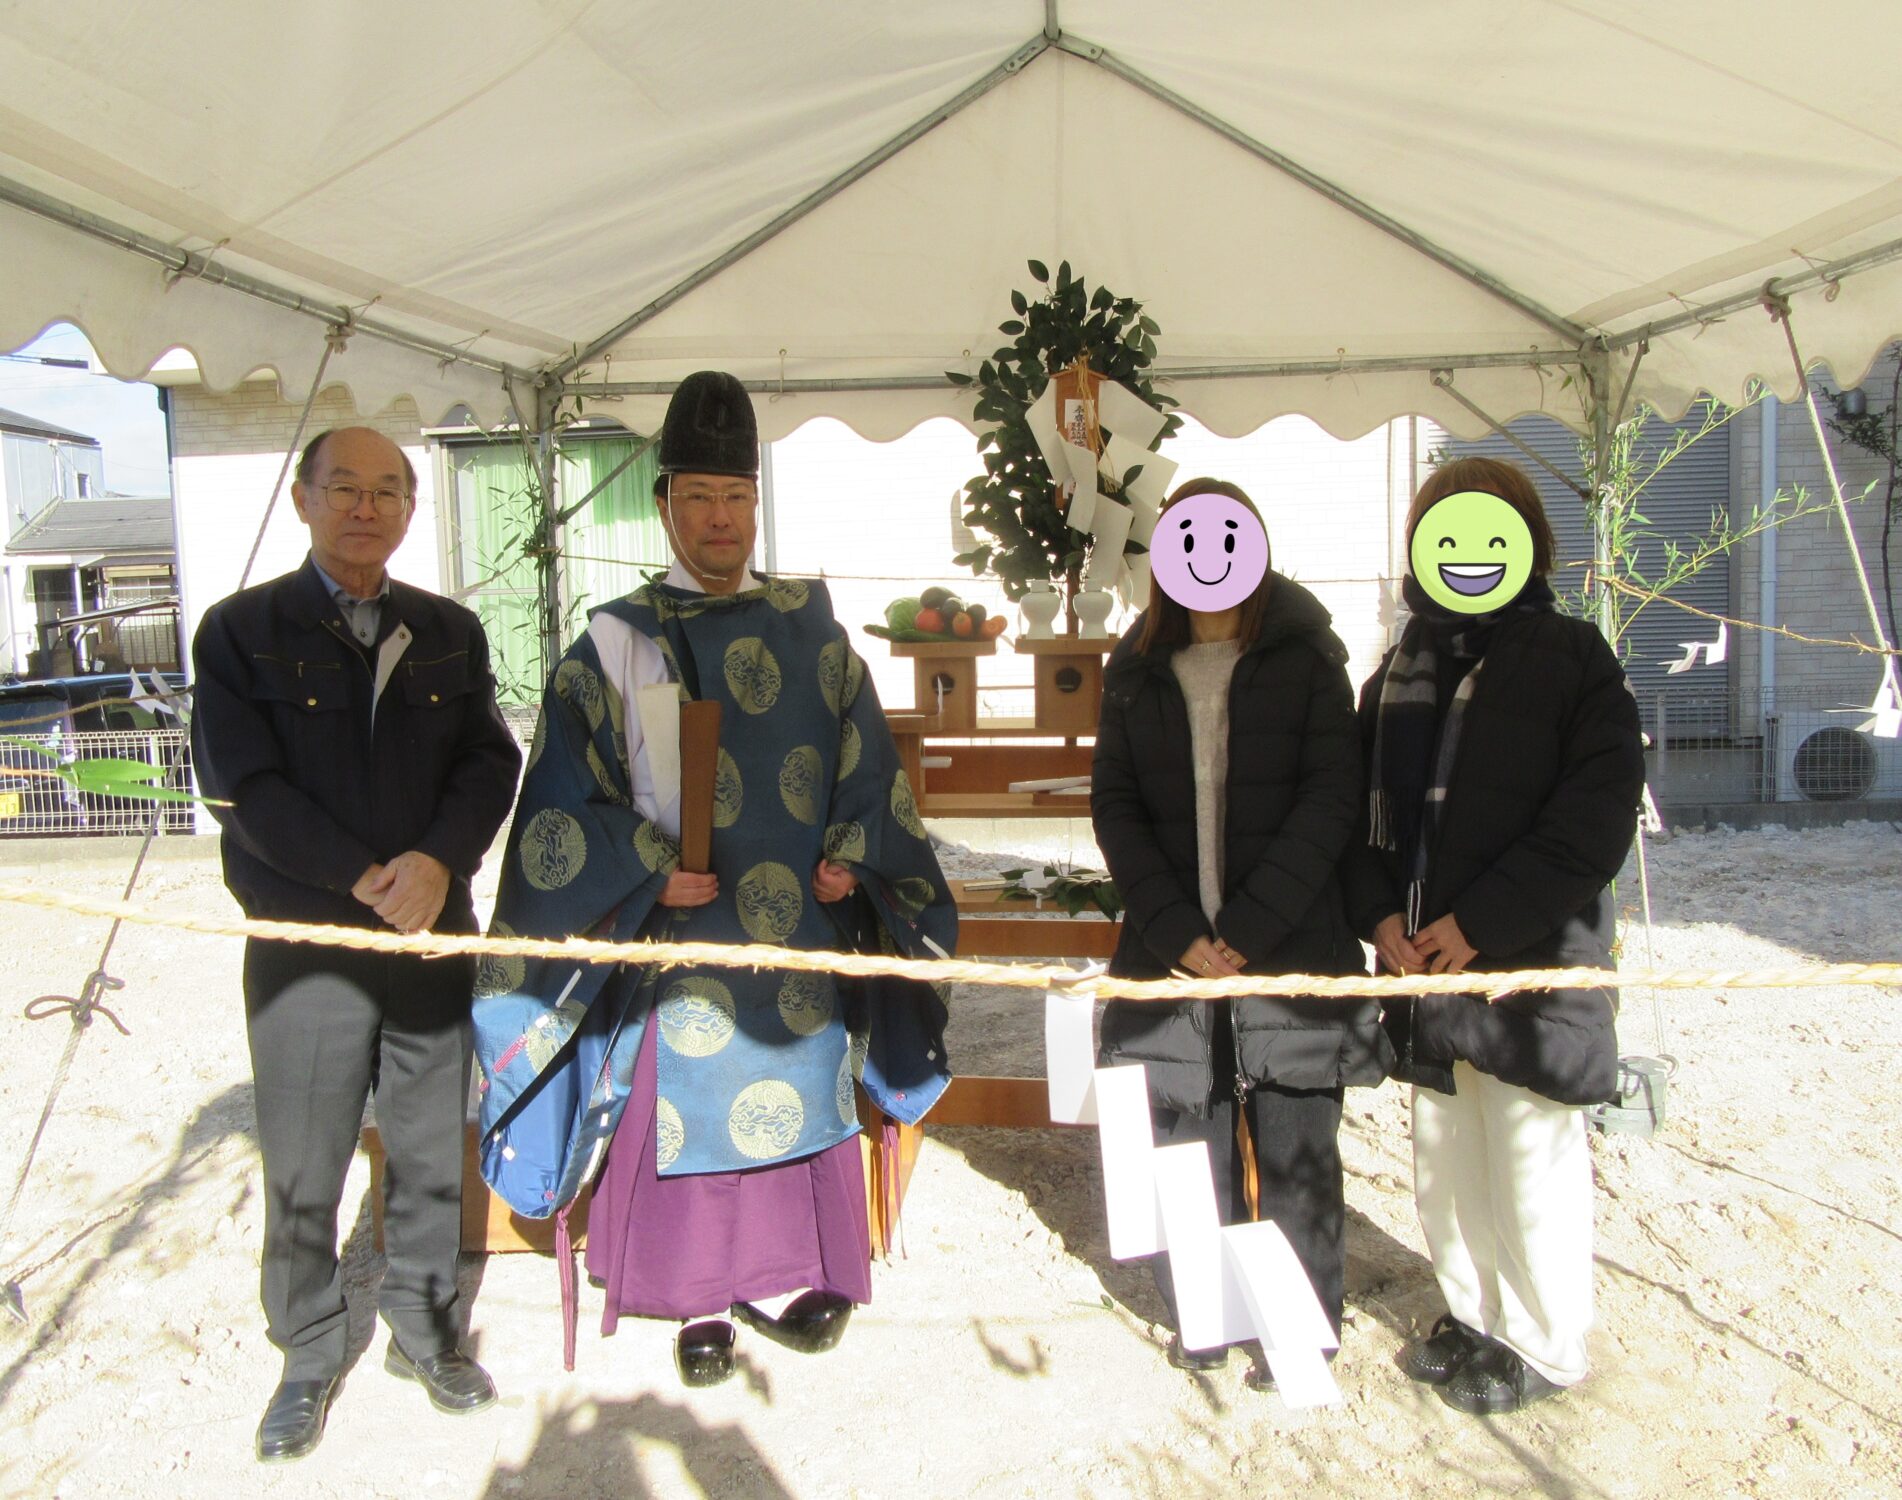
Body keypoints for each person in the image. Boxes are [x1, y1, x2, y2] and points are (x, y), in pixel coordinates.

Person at [474, 371, 955, 1388]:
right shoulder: (615, 641)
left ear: (756, 504)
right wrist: (644, 868)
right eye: (698, 497)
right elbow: (561, 804)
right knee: (689, 1106)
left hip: (799, 936)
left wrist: (851, 854)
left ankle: (813, 1271)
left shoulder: (817, 636)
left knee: (807, 1094)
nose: (720, 519)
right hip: (680, 943)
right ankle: (698, 1301)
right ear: (663, 506)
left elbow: (869, 766)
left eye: (736, 496)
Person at [191, 426, 522, 1462]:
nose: (365, 508)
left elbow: (489, 762)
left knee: (426, 1144)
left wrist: (439, 862)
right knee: (304, 1154)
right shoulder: (241, 631)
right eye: (345, 488)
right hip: (308, 939)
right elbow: (242, 787)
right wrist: (361, 875)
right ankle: (306, 1349)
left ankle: (424, 1326)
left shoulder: (449, 631)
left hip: (429, 934)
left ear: (412, 512)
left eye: (388, 491)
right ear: (304, 499)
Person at [1341, 455, 1644, 1415]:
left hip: (1527, 968)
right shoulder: (1395, 673)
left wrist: (1480, 924)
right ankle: (1475, 1316)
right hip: (1424, 968)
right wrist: (1380, 916)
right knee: (1447, 1157)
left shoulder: (1575, 659)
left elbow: (1594, 819)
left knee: (1529, 1156)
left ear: (1529, 543)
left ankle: (1545, 1344)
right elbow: (1355, 818)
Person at [1091, 478, 1388, 1389]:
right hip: (1172, 956)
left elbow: (1332, 797)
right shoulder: (1134, 669)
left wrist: (1252, 926)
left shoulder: (1307, 659)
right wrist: (1175, 929)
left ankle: (1301, 1328)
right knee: (1188, 1137)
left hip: (1290, 947)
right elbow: (1117, 807)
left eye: (1226, 540)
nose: (1208, 560)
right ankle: (1206, 1318)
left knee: (1297, 1140)